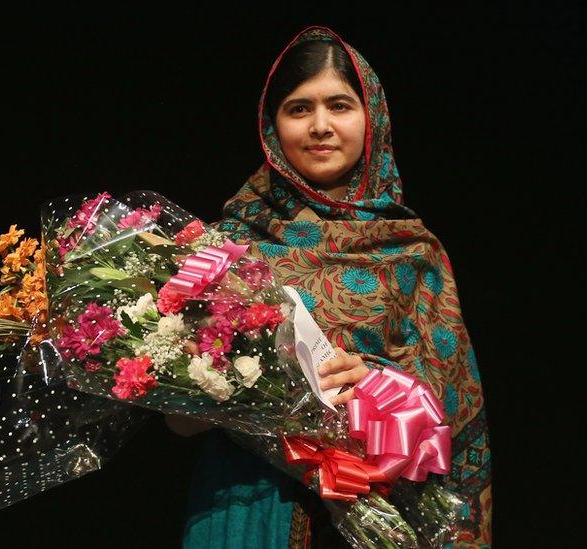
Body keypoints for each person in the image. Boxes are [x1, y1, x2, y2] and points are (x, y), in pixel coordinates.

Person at [166, 25, 492, 547]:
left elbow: (455, 412)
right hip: (245, 505)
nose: (320, 126)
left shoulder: (410, 251)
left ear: (373, 118)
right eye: (298, 109)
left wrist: (379, 387)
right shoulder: (225, 247)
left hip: (377, 508)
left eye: (339, 105)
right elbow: (179, 423)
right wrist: (220, 384)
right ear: (272, 126)